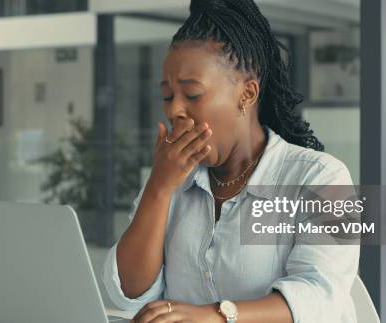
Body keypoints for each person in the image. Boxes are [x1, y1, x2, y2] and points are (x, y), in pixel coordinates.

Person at [103, 0, 359, 322]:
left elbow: (322, 297)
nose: (174, 111)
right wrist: (158, 187)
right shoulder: (172, 179)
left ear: (247, 94)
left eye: (192, 94)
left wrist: (217, 316)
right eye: (167, 96)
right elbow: (130, 294)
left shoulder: (324, 176)